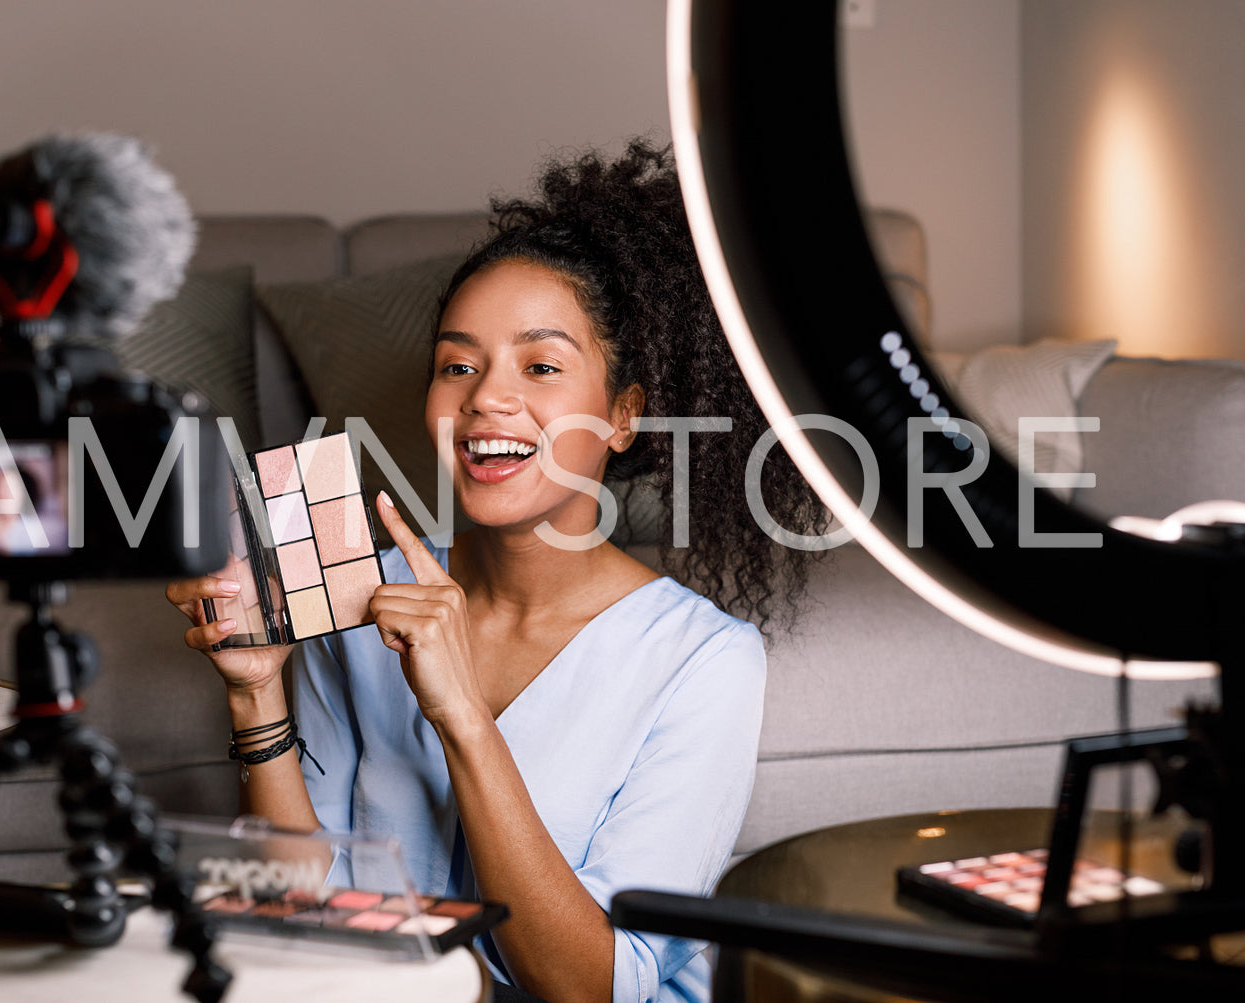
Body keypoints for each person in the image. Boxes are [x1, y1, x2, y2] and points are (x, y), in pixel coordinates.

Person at [167, 141, 826, 1003]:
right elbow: (302, 913)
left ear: (623, 413)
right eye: (457, 364)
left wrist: (462, 713)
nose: (485, 397)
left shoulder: (702, 659)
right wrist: (256, 691)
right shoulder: (359, 602)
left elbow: (596, 986)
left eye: (541, 366)